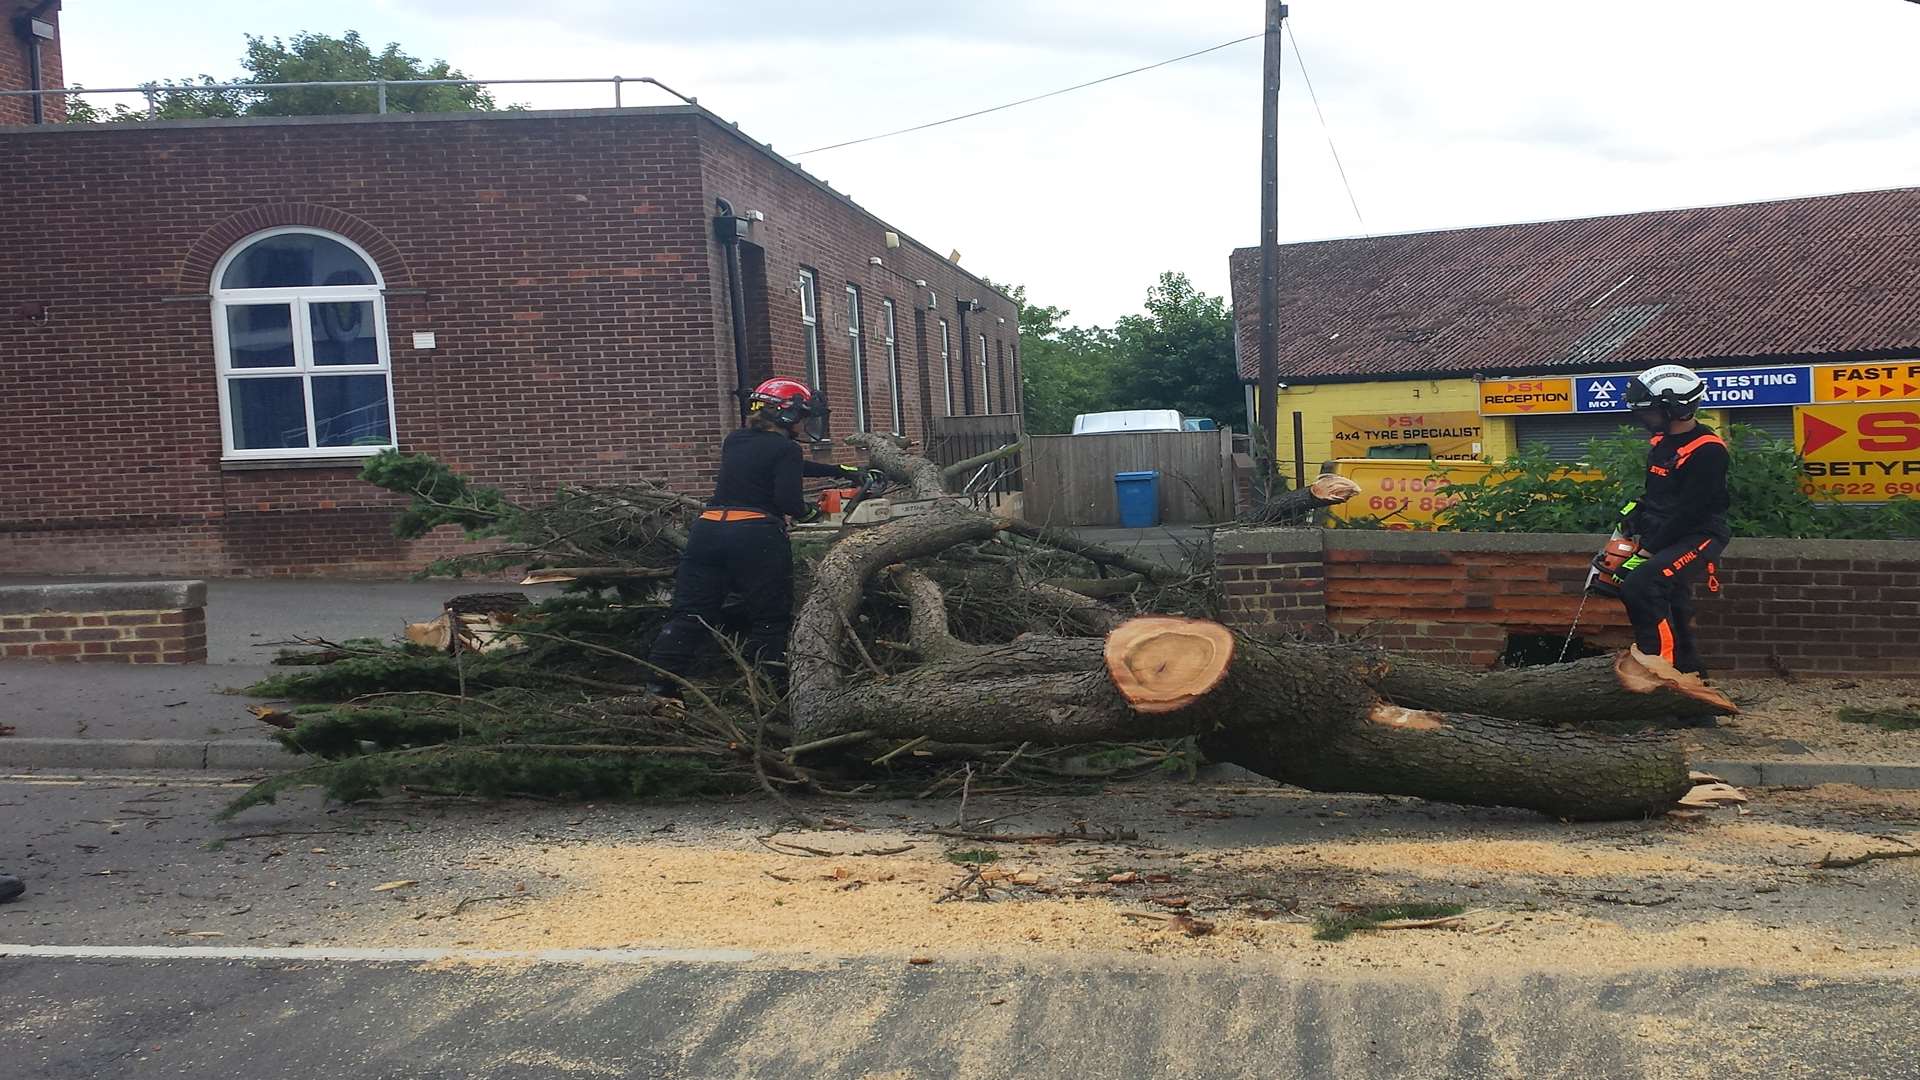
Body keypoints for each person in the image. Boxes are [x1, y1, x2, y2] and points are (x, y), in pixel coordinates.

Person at [645, 377, 863, 694]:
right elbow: (789, 499)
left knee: (689, 614)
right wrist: (812, 514)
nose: (804, 424)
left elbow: (779, 460)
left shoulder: (735, 440)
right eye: (802, 416)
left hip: (707, 531)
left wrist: (841, 470)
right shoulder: (785, 449)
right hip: (754, 535)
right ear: (787, 414)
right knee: (769, 618)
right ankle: (765, 690)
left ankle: (659, 688)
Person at [1617, 364, 1730, 675]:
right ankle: (1694, 682)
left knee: (1642, 584)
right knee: (1674, 606)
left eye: (1651, 411)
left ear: (1677, 409)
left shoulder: (1708, 451)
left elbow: (1691, 510)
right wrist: (1633, 518)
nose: (1644, 418)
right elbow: (1657, 495)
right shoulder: (1661, 443)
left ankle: (1660, 673)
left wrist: (1647, 552)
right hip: (1665, 532)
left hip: (1698, 533)